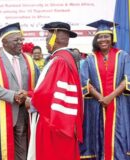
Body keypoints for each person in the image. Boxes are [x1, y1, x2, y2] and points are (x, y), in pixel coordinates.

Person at [80, 19, 130, 160]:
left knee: (119, 135)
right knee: (98, 135)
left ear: (112, 38)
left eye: (106, 36)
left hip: (119, 105)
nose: (103, 40)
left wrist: (110, 97)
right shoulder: (89, 59)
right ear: (95, 39)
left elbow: (129, 79)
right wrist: (100, 98)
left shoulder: (122, 56)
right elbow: (85, 82)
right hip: (97, 106)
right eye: (100, 37)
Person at [26, 22, 83, 160]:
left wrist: (31, 100)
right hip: (64, 121)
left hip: (54, 123)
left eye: (47, 39)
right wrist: (29, 93)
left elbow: (49, 94)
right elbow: (55, 89)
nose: (45, 44)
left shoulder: (59, 61)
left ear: (55, 39)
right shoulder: (65, 58)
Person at [0, 22, 39, 160]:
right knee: (2, 149)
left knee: (23, 146)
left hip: (24, 111)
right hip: (2, 112)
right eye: (16, 40)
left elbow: (38, 84)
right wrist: (12, 96)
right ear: (5, 42)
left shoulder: (28, 60)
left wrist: (29, 97)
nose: (21, 43)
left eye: (21, 39)